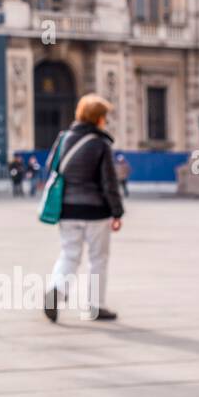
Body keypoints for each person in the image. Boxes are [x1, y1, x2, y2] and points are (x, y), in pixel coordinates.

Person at [42, 94, 124, 323]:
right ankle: (95, 306)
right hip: (95, 211)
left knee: (69, 254)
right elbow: (110, 182)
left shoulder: (64, 138)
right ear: (98, 118)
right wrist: (117, 212)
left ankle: (57, 289)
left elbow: (52, 167)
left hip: (66, 208)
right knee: (98, 258)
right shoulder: (101, 144)